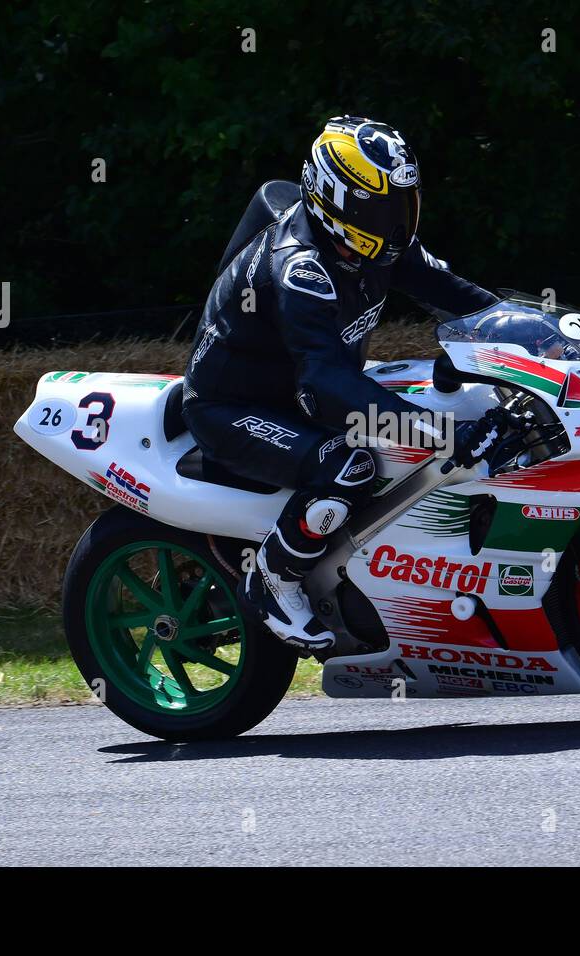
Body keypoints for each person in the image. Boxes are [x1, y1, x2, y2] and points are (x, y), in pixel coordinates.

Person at [181, 115, 501, 651]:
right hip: (232, 407)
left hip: (302, 392)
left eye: (405, 203)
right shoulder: (302, 269)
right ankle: (273, 579)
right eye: (383, 208)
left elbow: (459, 296)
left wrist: (540, 336)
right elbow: (325, 384)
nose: (399, 221)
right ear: (339, 203)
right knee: (350, 466)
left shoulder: (378, 246)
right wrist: (441, 434)